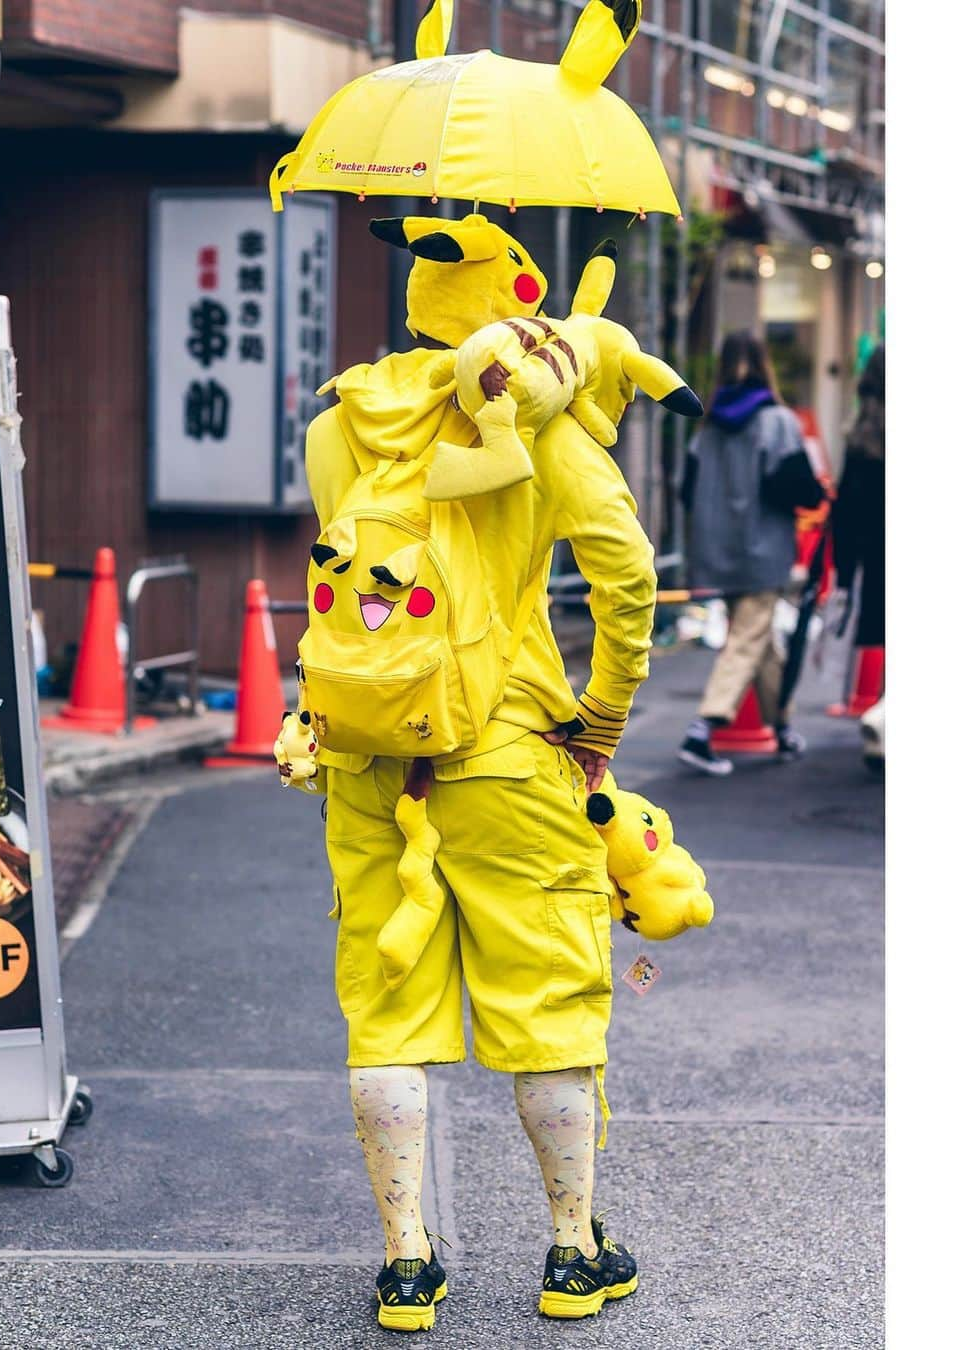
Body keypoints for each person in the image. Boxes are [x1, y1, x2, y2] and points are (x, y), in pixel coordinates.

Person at [297, 215, 667, 1331]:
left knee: (385, 1010)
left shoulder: (347, 416)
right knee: (547, 1001)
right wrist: (601, 715)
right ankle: (570, 1251)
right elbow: (629, 578)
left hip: (370, 750)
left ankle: (408, 1264)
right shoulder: (540, 417)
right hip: (512, 751)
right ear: (517, 296)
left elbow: (351, 585)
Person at [677, 331, 825, 776]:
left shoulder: (706, 427)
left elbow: (686, 491)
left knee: (761, 644)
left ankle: (781, 728)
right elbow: (800, 489)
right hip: (764, 549)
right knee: (748, 639)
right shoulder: (779, 421)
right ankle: (702, 728)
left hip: (717, 549)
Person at [831, 344, 885, 653]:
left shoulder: (860, 437)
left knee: (873, 626)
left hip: (871, 553)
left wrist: (844, 570)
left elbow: (847, 511)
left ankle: (867, 697)